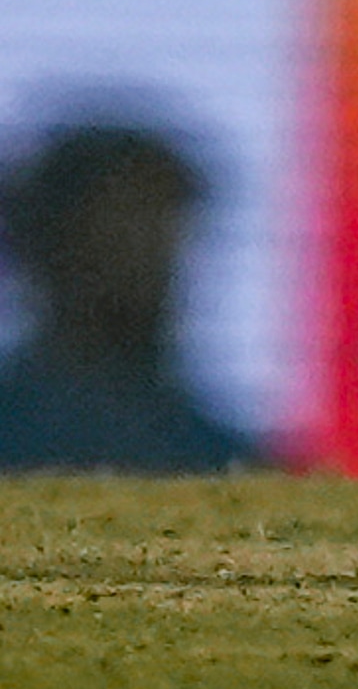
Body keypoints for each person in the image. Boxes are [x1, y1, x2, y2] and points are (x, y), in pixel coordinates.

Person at [0, 121, 255, 472]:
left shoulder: (225, 461)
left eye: (164, 227)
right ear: (46, 246)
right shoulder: (16, 429)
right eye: (121, 230)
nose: (151, 258)